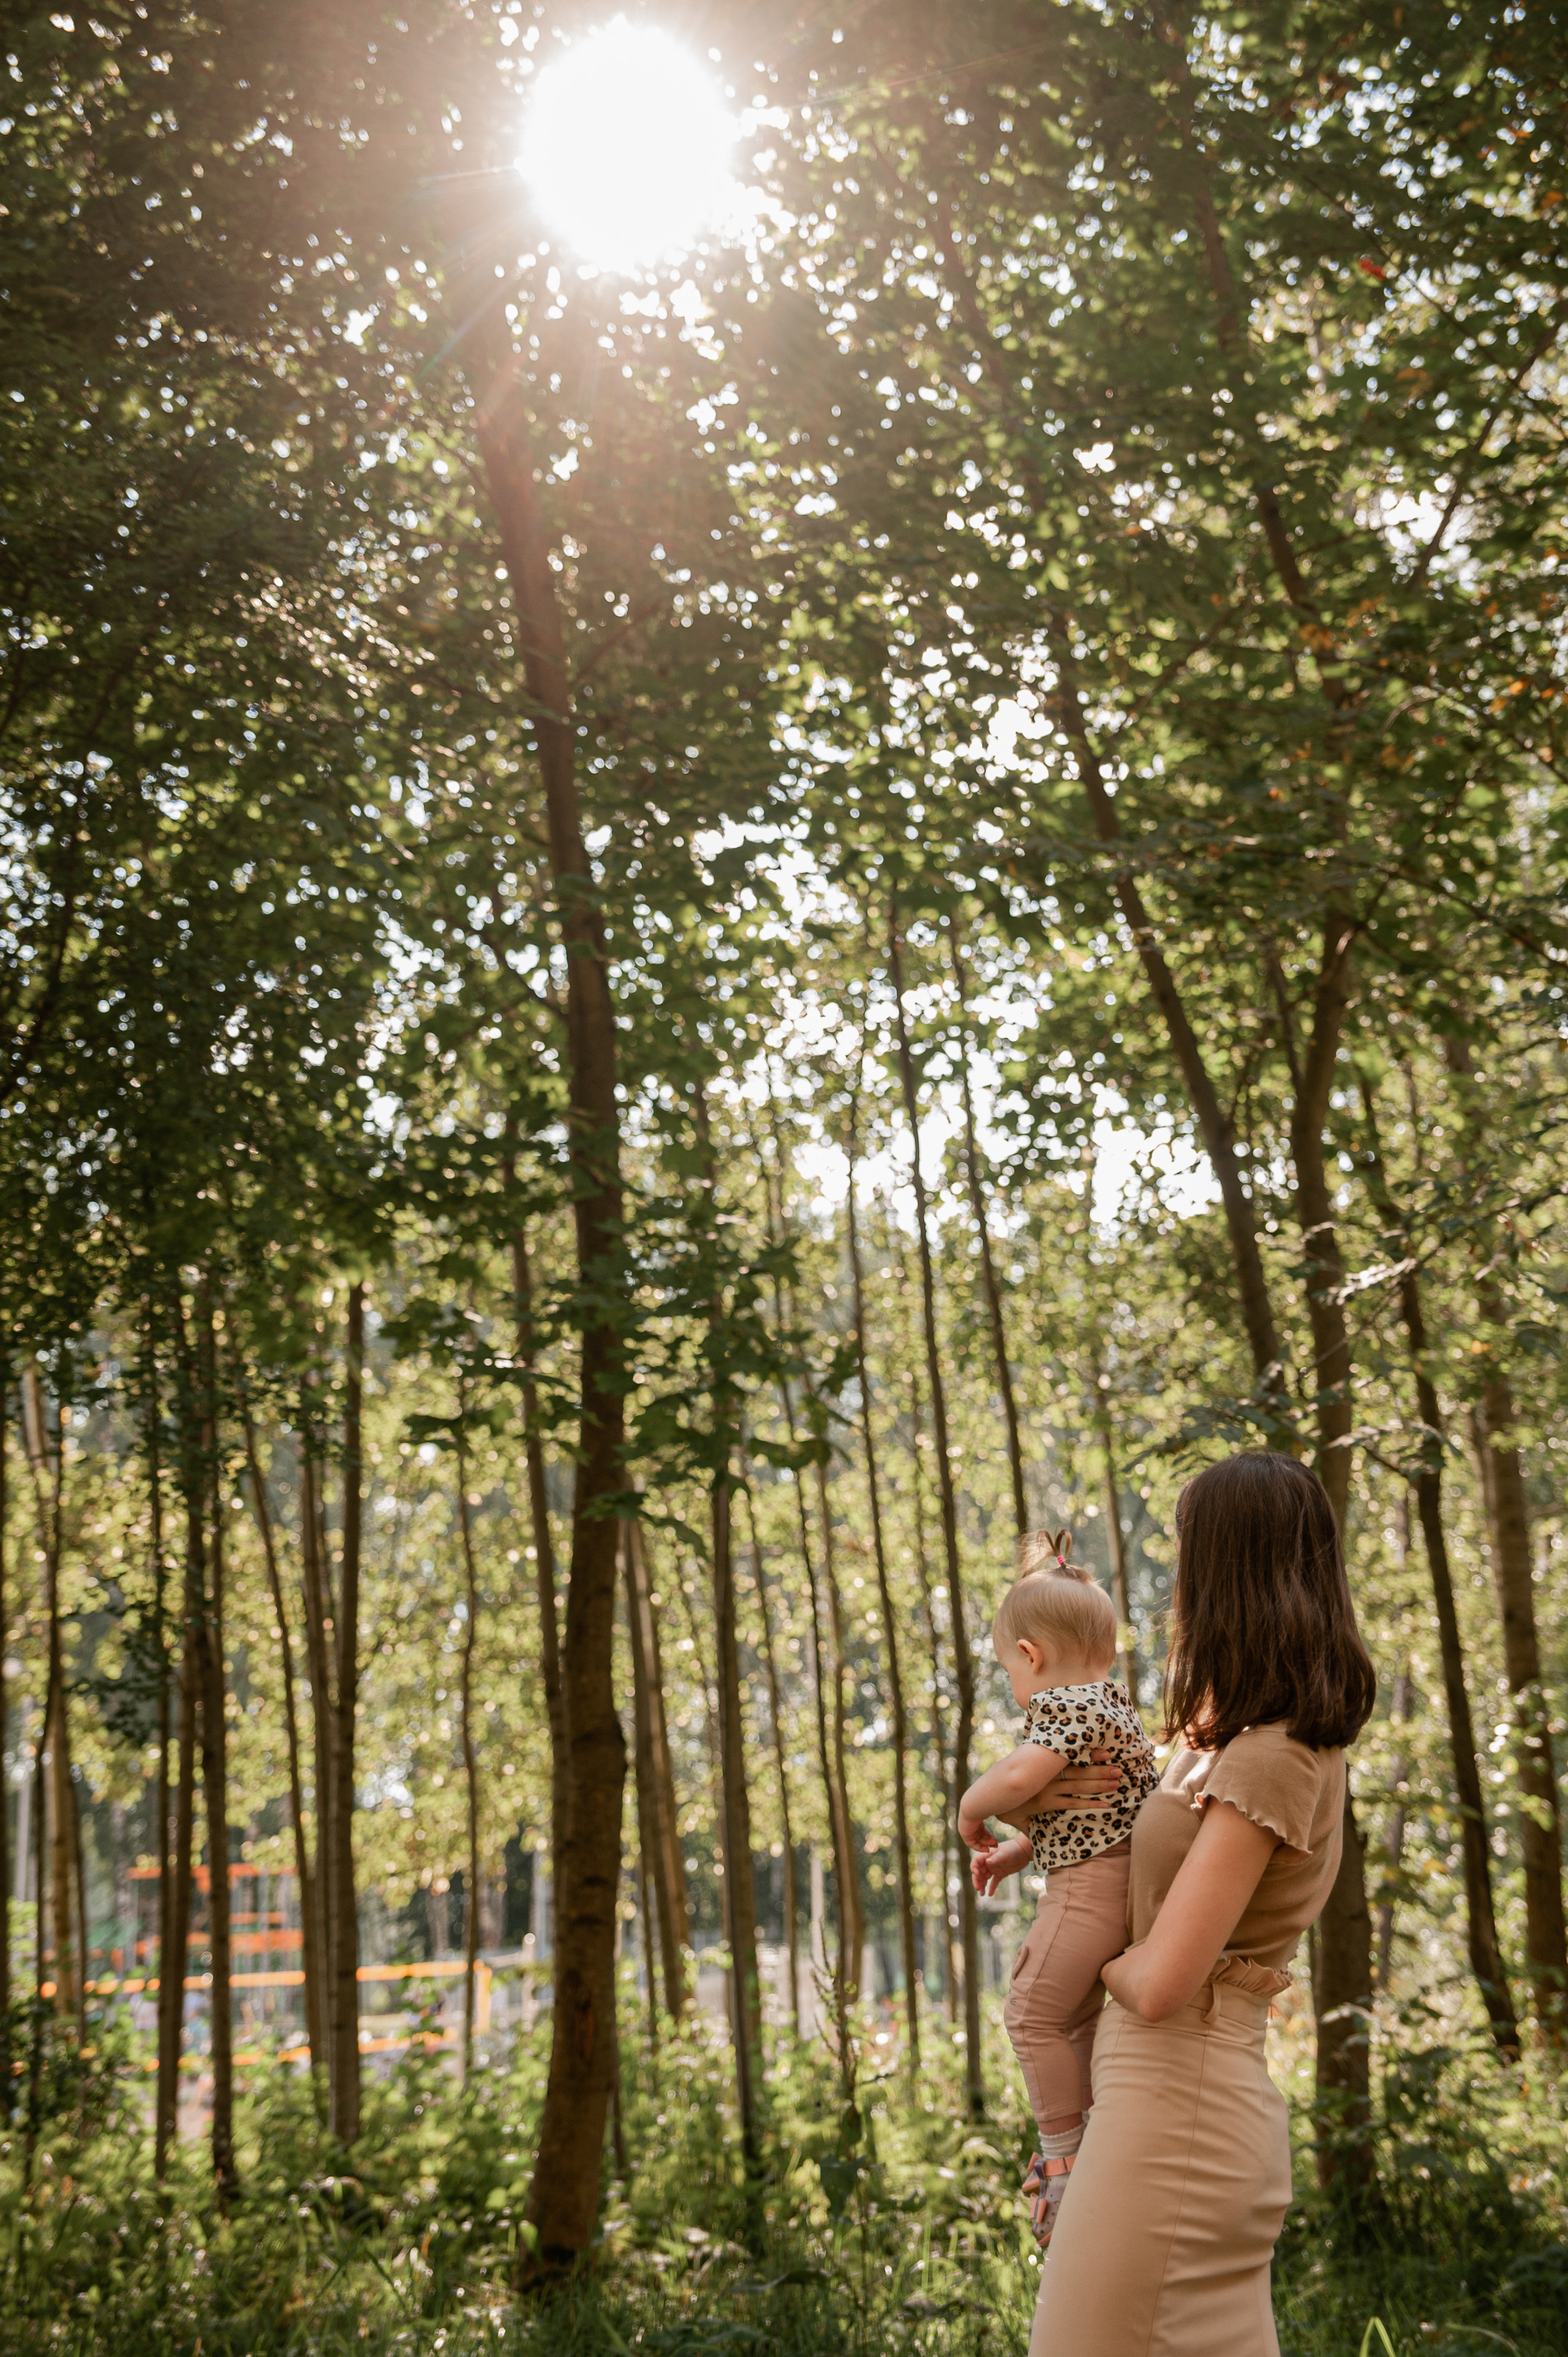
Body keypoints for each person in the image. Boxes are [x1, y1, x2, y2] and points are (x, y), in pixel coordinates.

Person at [1026, 1451, 1376, 2357]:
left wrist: (1074, 1959)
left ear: (1227, 1572)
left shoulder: (1274, 1754)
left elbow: (1162, 1980)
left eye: (1188, 1553)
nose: (1177, 1578)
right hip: (1150, 2097)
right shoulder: (1217, 1737)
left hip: (1180, 2106)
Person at [957, 1540, 1159, 2248]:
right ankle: (1087, 2141)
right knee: (1071, 2021)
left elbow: (1016, 1780)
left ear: (1029, 1654)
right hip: (1114, 1884)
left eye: (1009, 1667)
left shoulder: (1064, 1707)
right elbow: (1093, 1817)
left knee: (1029, 2014)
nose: (1015, 1681)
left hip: (1086, 1894)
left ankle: (1062, 2159)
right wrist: (1017, 1852)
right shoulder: (1113, 1705)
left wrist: (969, 1809)